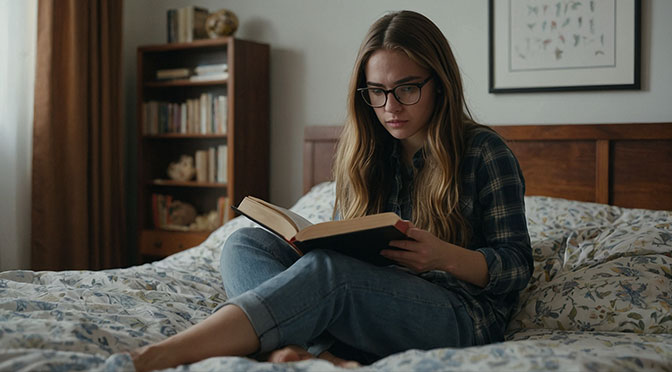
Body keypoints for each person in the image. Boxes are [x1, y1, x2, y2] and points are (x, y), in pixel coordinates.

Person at [130, 10, 532, 371]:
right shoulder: (366, 155)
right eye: (377, 91)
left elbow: (517, 265)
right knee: (244, 245)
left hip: (457, 314)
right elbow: (347, 254)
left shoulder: (483, 152)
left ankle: (169, 353)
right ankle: (317, 355)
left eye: (407, 88)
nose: (391, 106)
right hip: (366, 304)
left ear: (439, 85)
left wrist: (444, 256)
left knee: (330, 275)